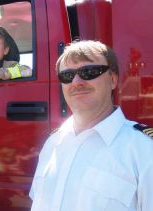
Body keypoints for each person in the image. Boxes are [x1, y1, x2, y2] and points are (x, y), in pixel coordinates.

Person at [29, 40, 153, 211]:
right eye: (67, 76)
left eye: (89, 72)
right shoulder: (53, 144)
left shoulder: (145, 151)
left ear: (113, 80)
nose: (76, 82)